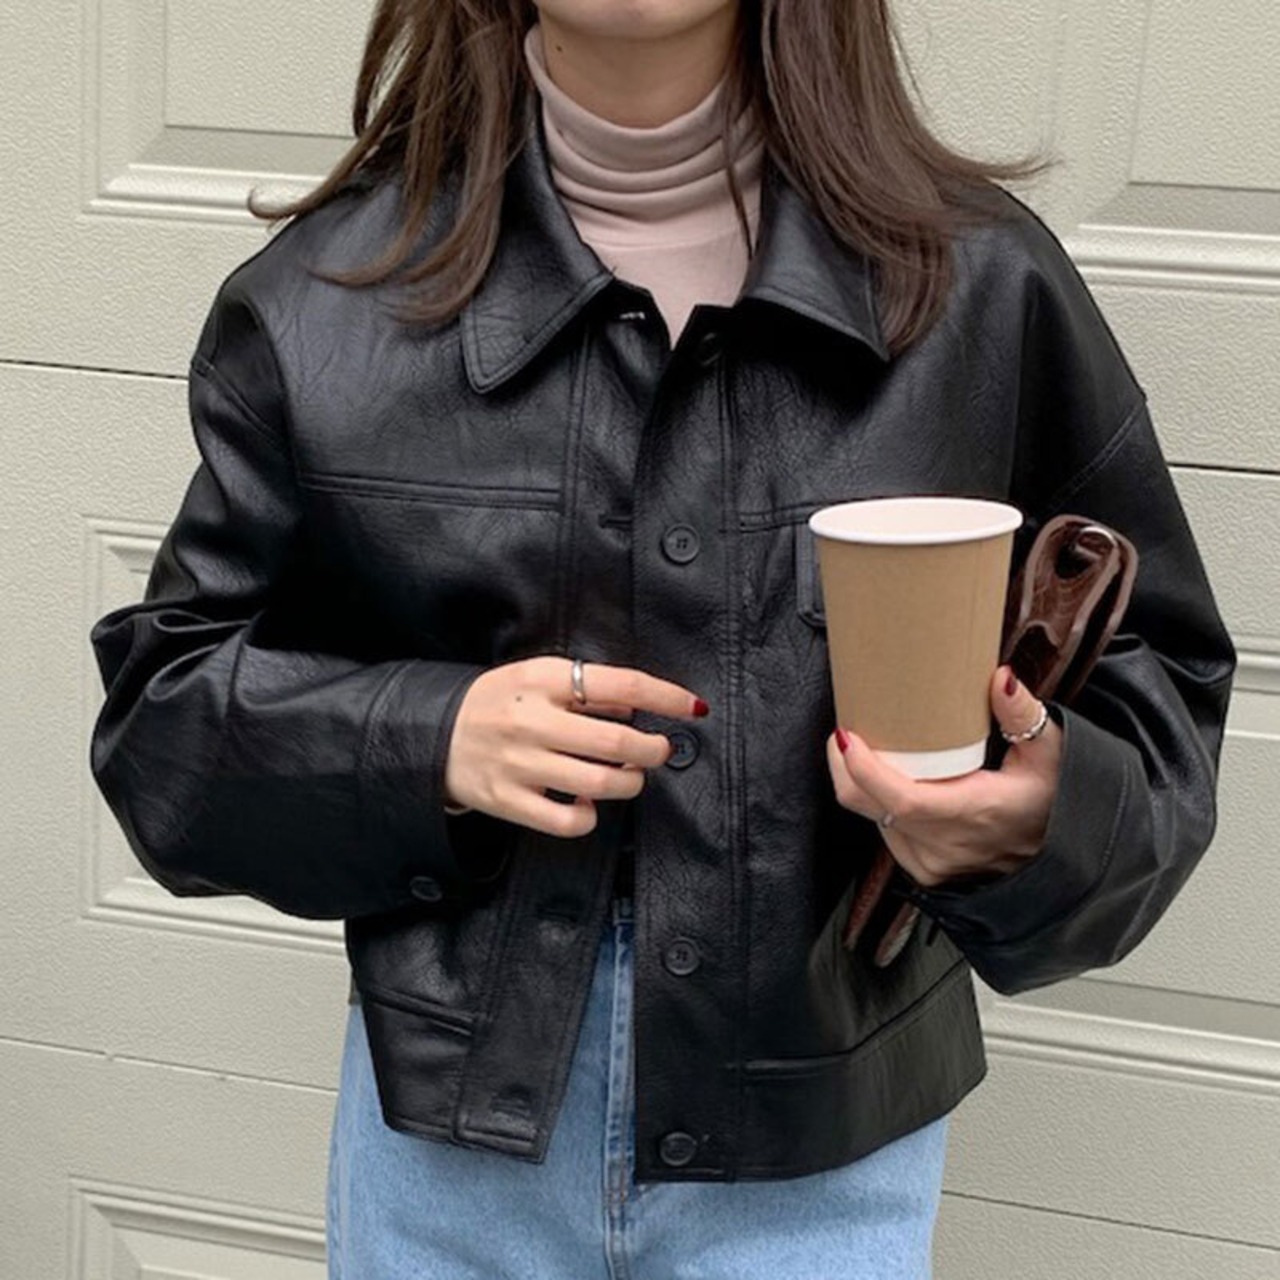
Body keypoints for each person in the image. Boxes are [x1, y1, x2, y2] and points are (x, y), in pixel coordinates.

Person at [87, 1, 1237, 1277]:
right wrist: (430, 739)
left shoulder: (979, 288)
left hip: (818, 1152)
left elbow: (1158, 689)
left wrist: (1036, 815)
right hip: (451, 1151)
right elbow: (162, 727)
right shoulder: (322, 303)